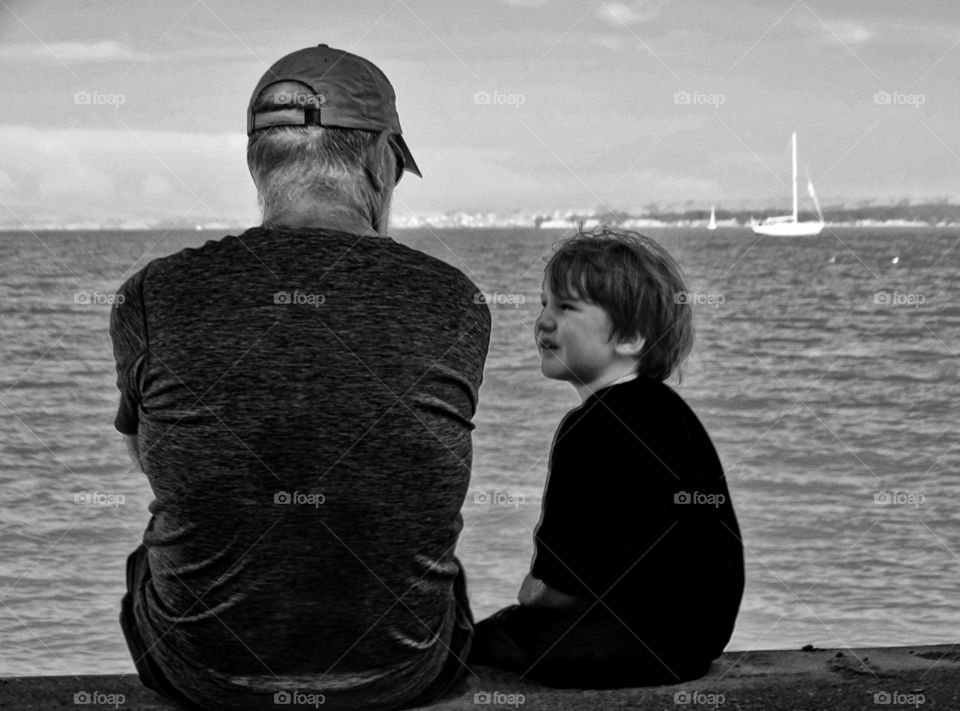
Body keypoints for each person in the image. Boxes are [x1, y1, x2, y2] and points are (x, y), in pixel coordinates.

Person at [111, 44, 491, 710]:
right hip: (400, 674)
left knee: (151, 555)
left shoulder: (152, 294)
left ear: (259, 164)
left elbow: (155, 459)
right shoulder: (456, 300)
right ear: (380, 163)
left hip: (202, 674)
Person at [469, 225, 744, 688]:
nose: (543, 322)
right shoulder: (672, 415)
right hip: (692, 643)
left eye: (566, 307)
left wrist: (533, 593)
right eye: (543, 304)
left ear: (632, 337)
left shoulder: (590, 428)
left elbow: (565, 580)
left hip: (613, 644)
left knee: (479, 638)